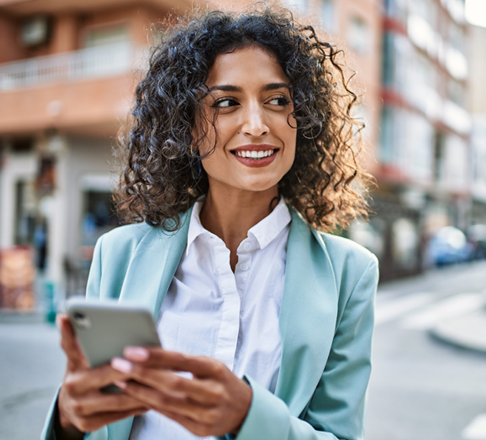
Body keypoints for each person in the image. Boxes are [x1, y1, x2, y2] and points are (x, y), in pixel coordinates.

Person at [41, 6, 378, 440]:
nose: (257, 124)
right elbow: (95, 419)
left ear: (305, 119)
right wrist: (69, 419)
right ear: (187, 123)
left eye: (278, 100)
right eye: (226, 102)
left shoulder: (350, 275)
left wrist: (248, 417)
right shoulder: (119, 254)